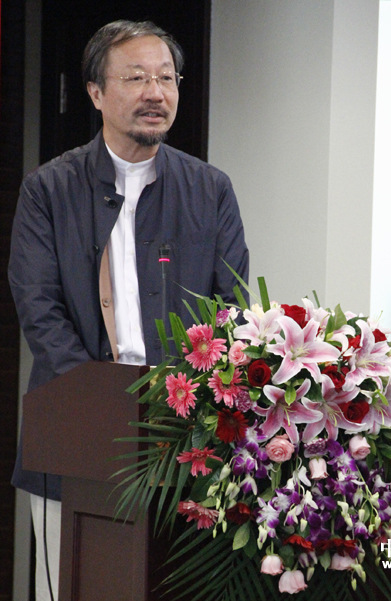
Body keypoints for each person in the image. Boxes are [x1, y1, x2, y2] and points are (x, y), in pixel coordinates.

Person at [8, 20, 248, 601]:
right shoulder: (48, 190)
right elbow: (41, 313)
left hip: (184, 439)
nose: (155, 93)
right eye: (137, 78)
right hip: (78, 431)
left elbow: (233, 311)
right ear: (96, 93)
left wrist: (189, 407)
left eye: (167, 78)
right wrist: (108, 406)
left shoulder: (210, 188)